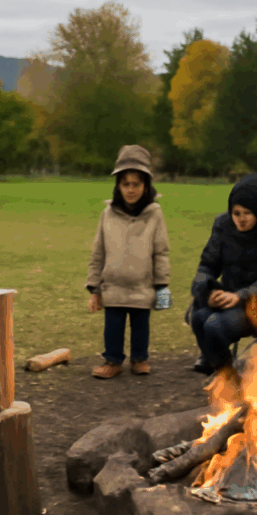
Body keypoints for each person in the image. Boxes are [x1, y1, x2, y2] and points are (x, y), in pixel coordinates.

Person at [188, 174, 257, 376]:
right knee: (198, 315)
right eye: (236, 213)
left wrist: (240, 296)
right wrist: (207, 291)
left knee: (214, 325)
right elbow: (206, 266)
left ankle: (227, 373)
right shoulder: (223, 228)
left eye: (247, 213)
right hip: (231, 298)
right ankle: (222, 367)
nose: (241, 218)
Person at [86, 145, 171, 379]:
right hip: (112, 286)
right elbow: (98, 252)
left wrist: (162, 285)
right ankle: (112, 361)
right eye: (126, 184)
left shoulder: (155, 213)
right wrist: (95, 288)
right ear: (118, 186)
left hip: (142, 286)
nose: (131, 190)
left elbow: (161, 251)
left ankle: (139, 358)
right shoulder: (108, 214)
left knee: (140, 326)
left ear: (146, 186)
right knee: (113, 326)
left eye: (136, 184)